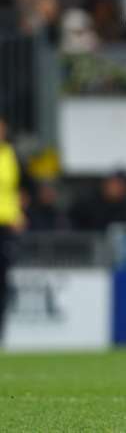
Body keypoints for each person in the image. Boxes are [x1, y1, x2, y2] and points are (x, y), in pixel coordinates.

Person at [0, 119, 24, 342]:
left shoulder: (10, 154)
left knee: (2, 281)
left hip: (6, 226)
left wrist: (18, 213)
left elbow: (19, 187)